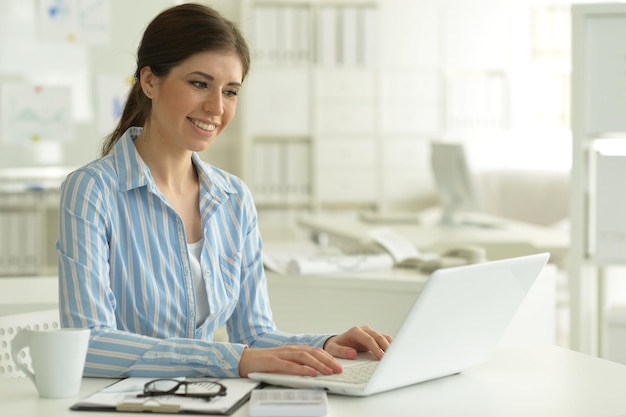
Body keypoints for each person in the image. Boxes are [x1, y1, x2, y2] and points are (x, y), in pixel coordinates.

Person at [57, 3, 391, 379]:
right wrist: (230, 359)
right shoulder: (93, 191)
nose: (217, 107)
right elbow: (89, 345)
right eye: (199, 84)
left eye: (230, 91)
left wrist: (328, 345)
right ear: (149, 81)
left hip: (209, 399)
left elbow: (254, 335)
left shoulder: (234, 198)